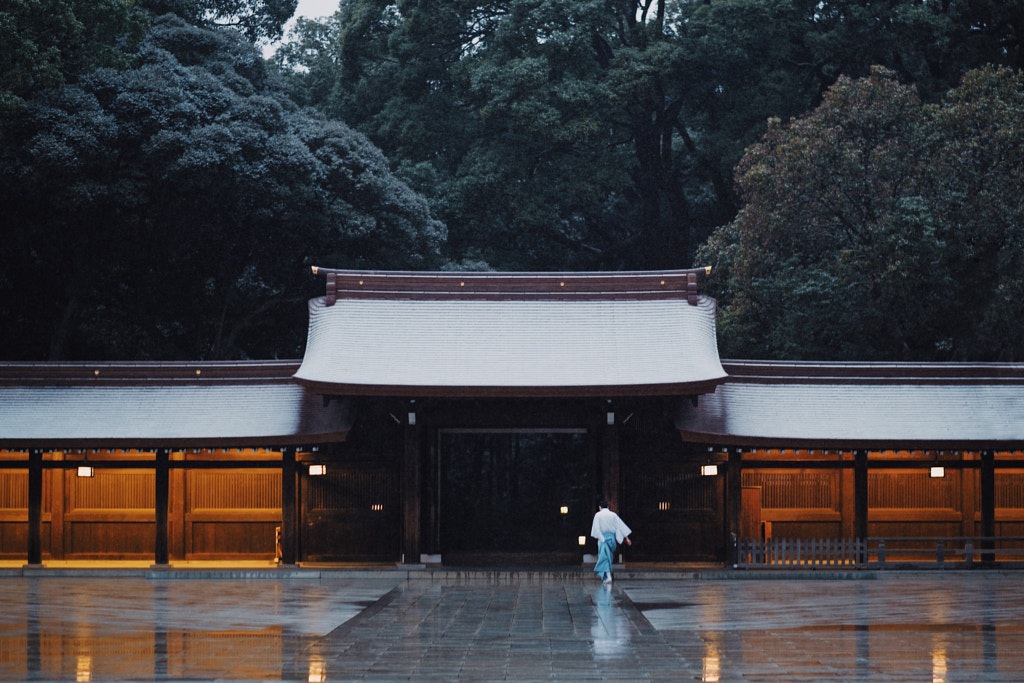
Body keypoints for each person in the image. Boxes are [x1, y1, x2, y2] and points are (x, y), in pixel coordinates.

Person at [591, 500, 631, 584]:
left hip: (603, 539)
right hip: (611, 538)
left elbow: (597, 529)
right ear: (608, 507)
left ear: (600, 507)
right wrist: (626, 538)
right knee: (608, 557)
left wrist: (601, 538)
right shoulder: (613, 515)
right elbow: (620, 526)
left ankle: (608, 576)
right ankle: (607, 575)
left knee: (604, 557)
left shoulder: (598, 515)